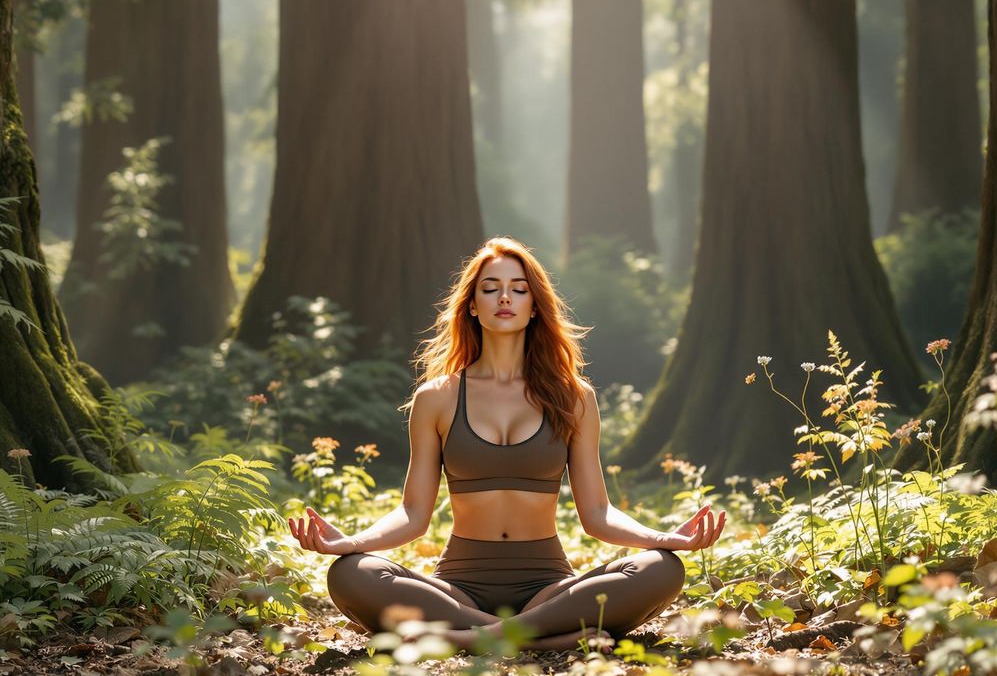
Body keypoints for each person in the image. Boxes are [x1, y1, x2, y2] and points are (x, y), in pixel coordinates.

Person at [287, 237, 726, 651]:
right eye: (490, 288)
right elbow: (413, 514)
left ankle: (472, 639)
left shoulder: (574, 397)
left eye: (518, 289)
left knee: (662, 568)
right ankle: (533, 638)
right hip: (457, 589)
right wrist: (350, 544)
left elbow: (597, 514)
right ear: (472, 305)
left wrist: (665, 538)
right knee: (351, 573)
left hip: (549, 587)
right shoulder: (436, 398)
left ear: (534, 306)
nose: (504, 298)